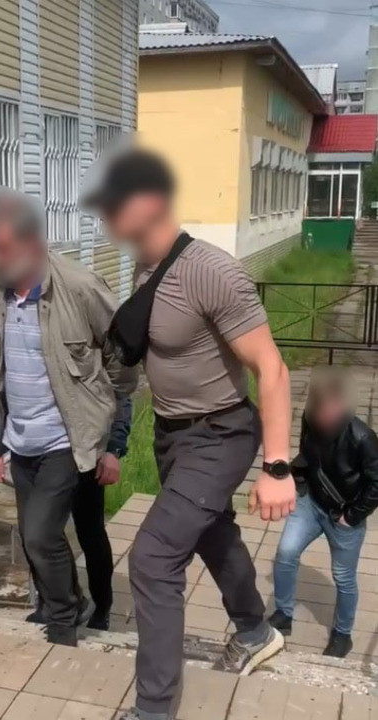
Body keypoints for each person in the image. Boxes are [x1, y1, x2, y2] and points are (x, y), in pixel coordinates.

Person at [81, 148, 294, 720]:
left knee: (153, 558)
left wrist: (277, 467)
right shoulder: (147, 268)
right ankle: (255, 630)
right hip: (173, 436)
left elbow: (272, 369)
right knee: (211, 532)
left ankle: (153, 711)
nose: (105, 216)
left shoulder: (210, 271)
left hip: (220, 434)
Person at [0, 187, 138, 647]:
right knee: (35, 536)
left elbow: (122, 361)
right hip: (22, 440)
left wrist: (112, 443)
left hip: (72, 438)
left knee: (71, 530)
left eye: (7, 249)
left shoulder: (81, 288)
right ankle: (55, 603)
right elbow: (0, 375)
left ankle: (82, 613)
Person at [269, 367, 378, 658]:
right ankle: (283, 614)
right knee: (286, 553)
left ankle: (342, 634)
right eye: (319, 407)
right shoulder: (310, 419)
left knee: (344, 577)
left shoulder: (363, 437)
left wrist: (352, 516)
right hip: (311, 503)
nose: (323, 416)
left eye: (330, 408)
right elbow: (306, 452)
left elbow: (376, 483)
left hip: (344, 515)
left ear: (342, 405)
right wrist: (300, 484)